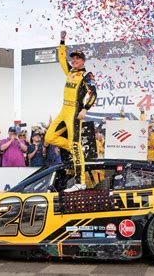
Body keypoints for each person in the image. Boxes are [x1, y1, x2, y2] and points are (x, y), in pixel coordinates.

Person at [44, 30, 97, 192]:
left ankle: (80, 182)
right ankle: (76, 150)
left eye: (77, 58)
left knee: (75, 146)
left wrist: (85, 109)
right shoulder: (70, 72)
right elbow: (61, 59)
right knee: (50, 137)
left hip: (74, 113)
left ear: (83, 61)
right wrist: (62, 41)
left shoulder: (87, 75)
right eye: (73, 58)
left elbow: (93, 94)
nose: (74, 60)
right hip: (63, 110)